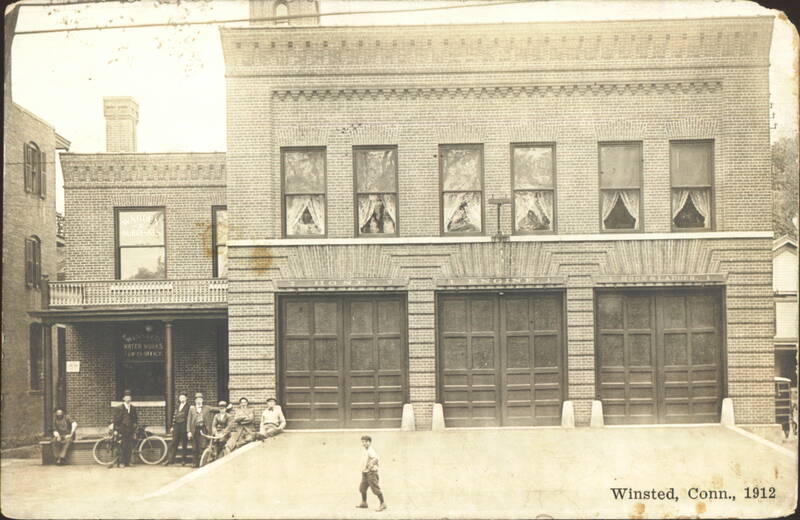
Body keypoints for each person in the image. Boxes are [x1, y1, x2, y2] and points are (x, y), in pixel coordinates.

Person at [356, 435, 386, 512]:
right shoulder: (365, 450)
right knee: (362, 488)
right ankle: (364, 503)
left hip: (371, 473)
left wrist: (371, 466)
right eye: (362, 442)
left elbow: (376, 458)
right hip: (365, 473)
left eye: (365, 442)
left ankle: (383, 504)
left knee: (375, 489)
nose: (364, 443)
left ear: (369, 442)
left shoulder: (370, 450)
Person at [108, 390, 138, 468]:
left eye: (129, 397)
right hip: (121, 430)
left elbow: (135, 419)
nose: (128, 398)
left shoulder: (133, 408)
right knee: (122, 446)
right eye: (126, 397)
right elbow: (115, 419)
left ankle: (128, 462)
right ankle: (121, 462)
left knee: (129, 446)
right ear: (123, 398)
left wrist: (134, 426)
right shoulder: (119, 408)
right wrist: (116, 429)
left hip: (130, 430)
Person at [187, 392, 215, 468]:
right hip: (194, 430)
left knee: (202, 446)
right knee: (194, 447)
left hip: (203, 429)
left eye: (200, 399)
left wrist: (227, 407)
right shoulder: (192, 408)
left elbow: (217, 409)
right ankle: (194, 463)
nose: (199, 401)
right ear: (195, 401)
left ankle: (202, 463)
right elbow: (189, 420)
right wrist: (189, 431)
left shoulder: (207, 408)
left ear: (202, 400)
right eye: (197, 400)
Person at [164, 391, 191, 466]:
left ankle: (183, 460)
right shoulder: (177, 405)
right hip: (176, 426)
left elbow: (189, 418)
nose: (181, 399)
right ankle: (171, 460)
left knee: (184, 444)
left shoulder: (189, 407)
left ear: (186, 398)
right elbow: (174, 416)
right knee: (174, 442)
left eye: (183, 397)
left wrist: (188, 429)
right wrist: (172, 426)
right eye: (180, 397)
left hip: (184, 426)